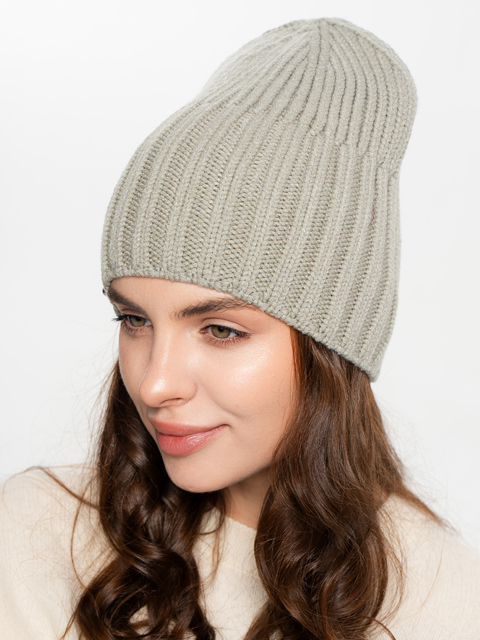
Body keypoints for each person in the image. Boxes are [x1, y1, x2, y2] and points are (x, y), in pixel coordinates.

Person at [1, 17, 479, 640]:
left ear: (333, 347)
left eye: (220, 330)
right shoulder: (38, 536)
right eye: (134, 319)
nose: (154, 384)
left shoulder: (446, 605)